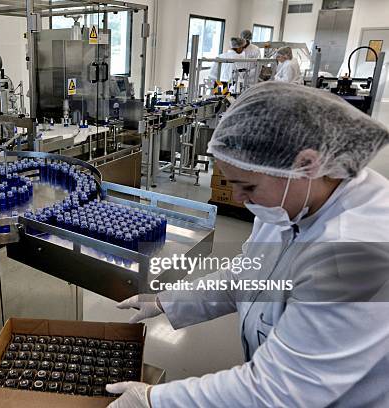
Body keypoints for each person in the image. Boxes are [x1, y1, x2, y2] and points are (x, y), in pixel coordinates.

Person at [106, 82, 389, 407]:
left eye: (248, 186)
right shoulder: (289, 202)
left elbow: (281, 389)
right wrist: (167, 300)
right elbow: (247, 274)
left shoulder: (357, 251)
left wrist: (154, 400)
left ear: (307, 165)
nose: (239, 199)